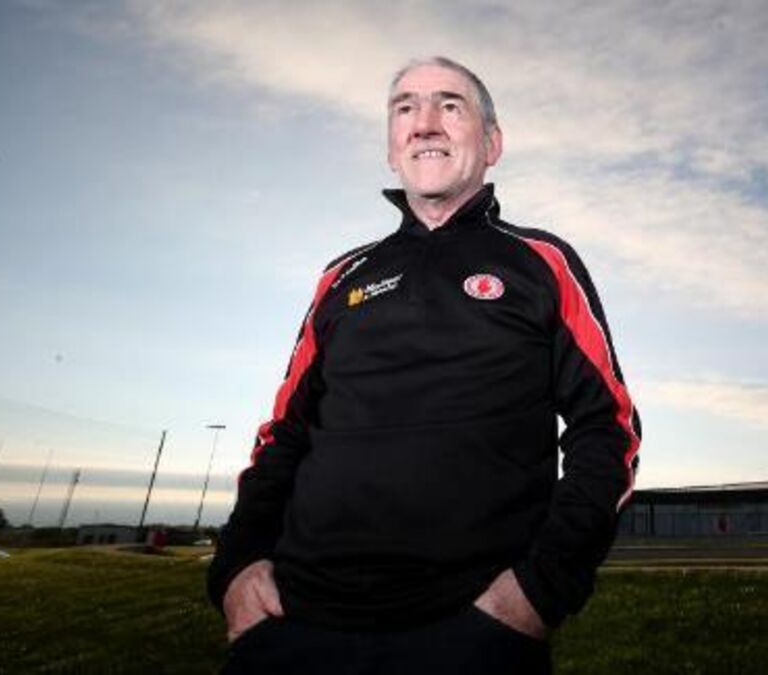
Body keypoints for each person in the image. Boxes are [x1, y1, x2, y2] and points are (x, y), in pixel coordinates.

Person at [207, 56, 641, 674]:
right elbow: (283, 435)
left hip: (472, 632)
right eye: (405, 107)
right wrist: (237, 566)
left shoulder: (544, 263)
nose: (425, 122)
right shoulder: (341, 276)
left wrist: (540, 589)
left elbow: (609, 429)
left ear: (492, 144)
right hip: (293, 623)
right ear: (392, 147)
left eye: (450, 105)